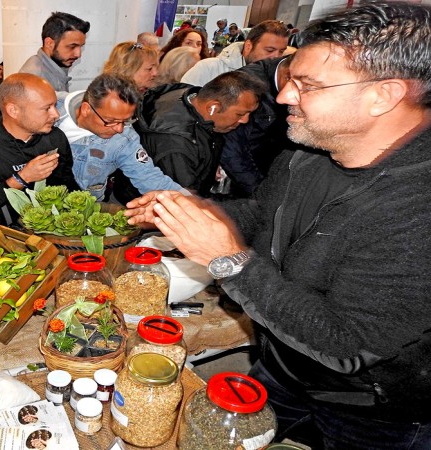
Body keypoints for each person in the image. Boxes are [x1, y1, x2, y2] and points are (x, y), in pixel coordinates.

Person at [125, 3, 431, 447]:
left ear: (383, 95)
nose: (285, 96)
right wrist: (193, 213)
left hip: (373, 408)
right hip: (281, 361)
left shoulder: (417, 207)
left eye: (307, 85)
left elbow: (348, 344)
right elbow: (263, 213)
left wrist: (226, 260)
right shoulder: (310, 150)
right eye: (291, 79)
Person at [114, 71, 265, 203]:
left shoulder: (190, 97)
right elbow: (184, 202)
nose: (245, 120)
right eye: (240, 114)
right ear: (214, 107)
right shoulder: (176, 144)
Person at [0, 73, 79, 225]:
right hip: (7, 239)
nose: (56, 114)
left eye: (55, 105)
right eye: (47, 108)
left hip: (55, 230)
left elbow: (68, 183)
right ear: (13, 110)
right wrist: (21, 178)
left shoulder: (55, 137)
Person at [56, 73, 188, 201]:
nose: (119, 129)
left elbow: (151, 179)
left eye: (125, 121)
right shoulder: (48, 106)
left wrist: (193, 205)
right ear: (86, 109)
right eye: (111, 121)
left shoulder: (125, 140)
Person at [220, 56, 293, 197]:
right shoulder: (246, 85)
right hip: (243, 177)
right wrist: (260, 194)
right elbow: (232, 150)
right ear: (288, 77)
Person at [181, 20, 288, 86]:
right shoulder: (208, 68)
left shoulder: (279, 78)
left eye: (281, 51)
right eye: (270, 50)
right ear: (248, 46)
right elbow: (181, 110)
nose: (276, 56)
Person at [18, 12, 90, 92]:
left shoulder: (55, 64)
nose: (78, 54)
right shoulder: (35, 78)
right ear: (49, 43)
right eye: (72, 47)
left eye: (81, 46)